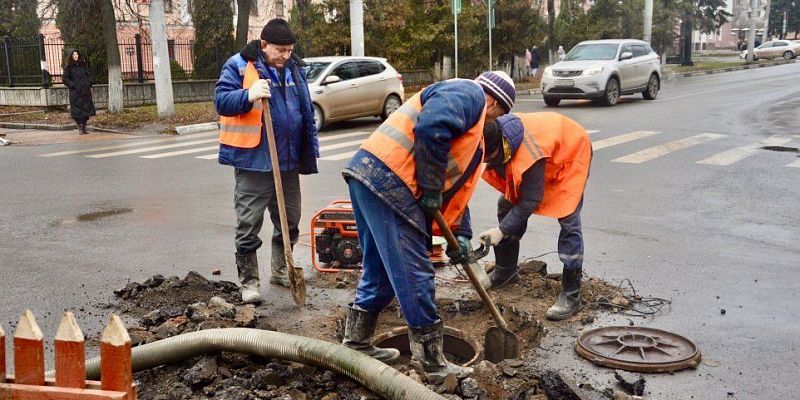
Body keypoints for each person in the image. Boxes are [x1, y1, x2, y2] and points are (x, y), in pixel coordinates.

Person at [340, 72, 516, 382]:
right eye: (499, 113)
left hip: (370, 175)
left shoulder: (471, 146)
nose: (495, 118)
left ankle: (356, 343)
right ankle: (432, 364)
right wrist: (431, 187)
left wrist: (460, 235)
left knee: (379, 270)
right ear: (494, 103)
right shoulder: (469, 93)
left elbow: (456, 195)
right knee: (415, 273)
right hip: (391, 181)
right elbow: (432, 127)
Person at [214, 18, 319, 305]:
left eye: (290, 50)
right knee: (249, 224)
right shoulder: (239, 65)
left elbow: (302, 110)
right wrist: (248, 95)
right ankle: (249, 282)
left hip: (287, 161)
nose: (286, 55)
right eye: (281, 50)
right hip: (253, 161)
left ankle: (281, 269)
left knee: (290, 219)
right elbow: (221, 100)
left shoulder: (293, 68)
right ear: (263, 45)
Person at [479, 112, 591, 321]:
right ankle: (506, 271)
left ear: (500, 150)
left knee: (568, 219)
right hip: (547, 149)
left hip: (571, 151)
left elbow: (531, 200)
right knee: (506, 204)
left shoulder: (530, 154)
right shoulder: (498, 133)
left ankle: (572, 294)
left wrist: (502, 231)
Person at [62, 49, 95, 135]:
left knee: (86, 110)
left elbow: (89, 75)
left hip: (85, 91)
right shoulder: (68, 66)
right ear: (71, 56)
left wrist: (89, 83)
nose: (75, 56)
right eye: (74, 54)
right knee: (77, 111)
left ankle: (84, 127)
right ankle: (79, 127)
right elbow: (65, 79)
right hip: (75, 92)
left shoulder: (83, 65)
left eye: (76, 54)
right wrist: (73, 85)